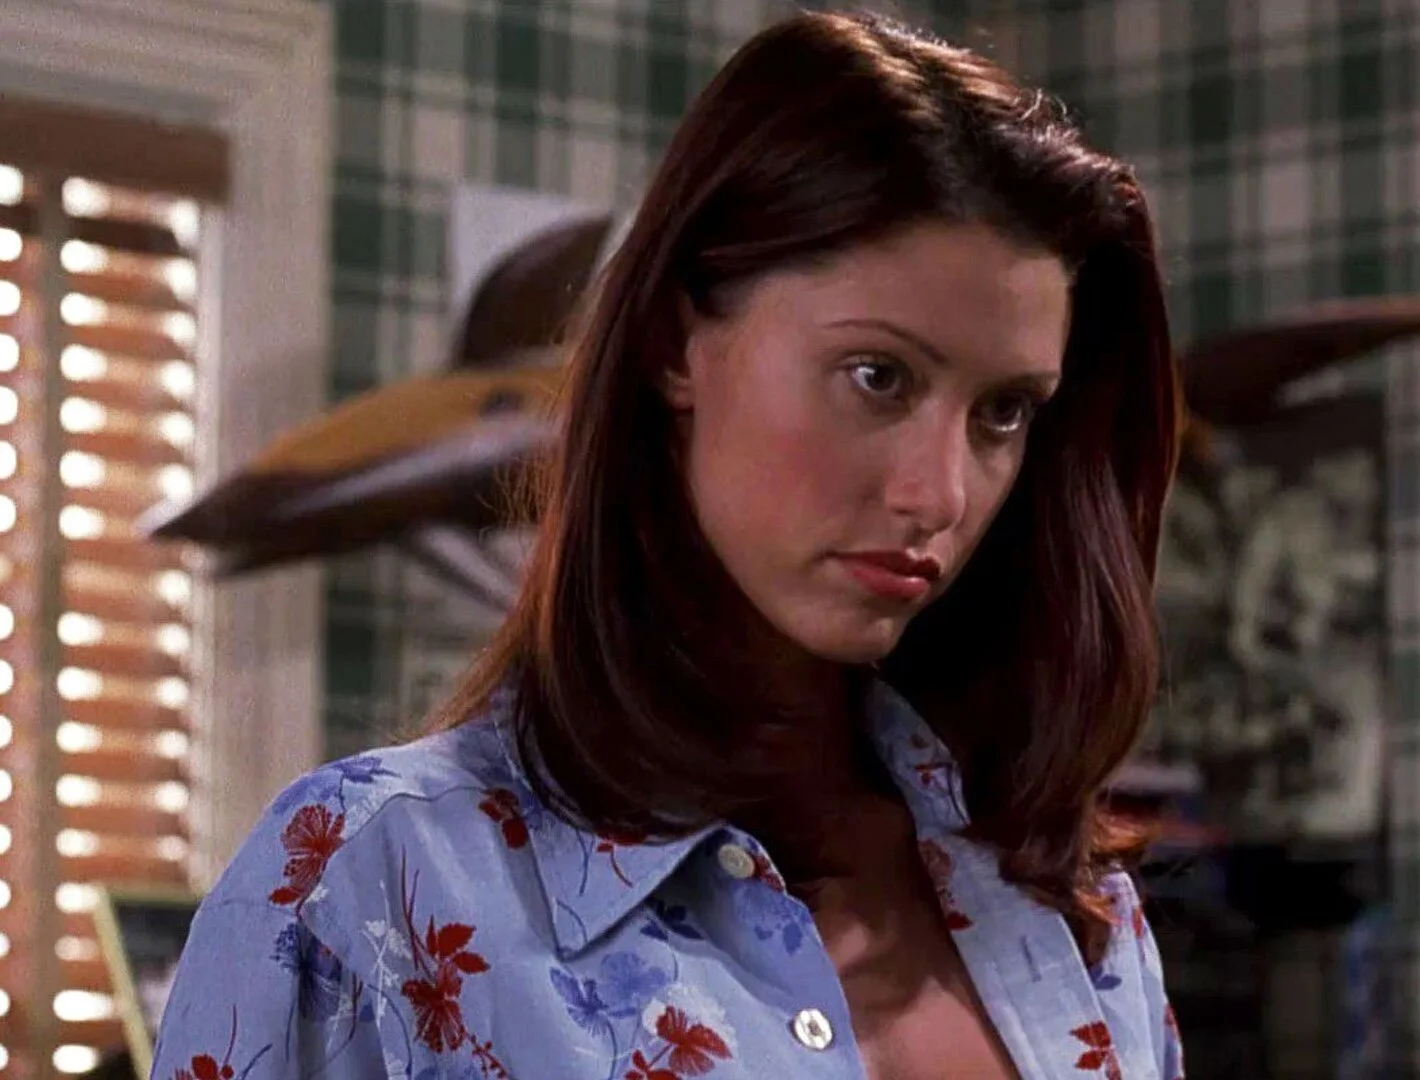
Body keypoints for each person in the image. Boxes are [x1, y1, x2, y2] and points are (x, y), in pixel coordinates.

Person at [152, 10, 1185, 1079]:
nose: (940, 493)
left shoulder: (1075, 915)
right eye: (878, 377)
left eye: (1003, 412)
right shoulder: (369, 884)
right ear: (673, 342)